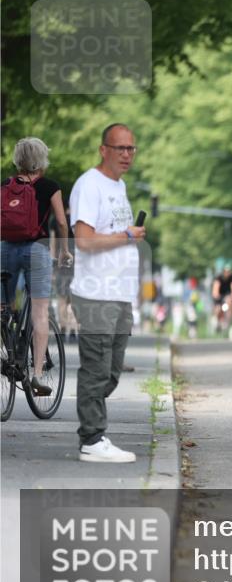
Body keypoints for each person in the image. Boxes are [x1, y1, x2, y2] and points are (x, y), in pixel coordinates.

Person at [68, 123, 145, 463]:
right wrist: (127, 236)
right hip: (96, 292)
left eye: (131, 148)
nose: (126, 154)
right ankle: (92, 439)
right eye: (120, 148)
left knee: (112, 372)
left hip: (119, 292)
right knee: (96, 369)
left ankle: (93, 432)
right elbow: (84, 240)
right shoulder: (89, 185)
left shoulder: (120, 185)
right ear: (103, 150)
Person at [1, 137, 72, 396]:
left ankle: (7, 349)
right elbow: (62, 223)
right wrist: (64, 250)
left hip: (5, 248)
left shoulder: (6, 185)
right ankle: (38, 375)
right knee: (40, 313)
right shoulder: (49, 187)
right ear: (42, 160)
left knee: (3, 309)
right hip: (36, 250)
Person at [211, 263, 232, 334]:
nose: (227, 273)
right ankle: (218, 321)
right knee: (218, 309)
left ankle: (229, 321)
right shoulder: (218, 278)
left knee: (230, 305)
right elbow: (215, 290)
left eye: (228, 271)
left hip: (228, 298)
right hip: (220, 298)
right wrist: (217, 296)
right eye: (226, 271)